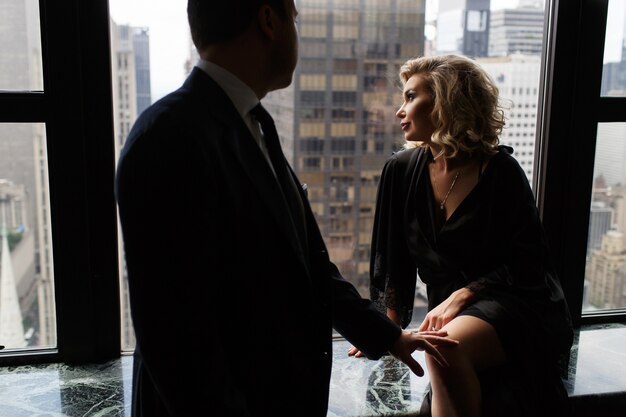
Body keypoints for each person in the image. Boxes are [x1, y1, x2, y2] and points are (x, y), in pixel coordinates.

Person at [115, 2, 459, 416]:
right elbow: (173, 334)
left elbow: (308, 266)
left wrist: (388, 336)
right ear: (267, 20)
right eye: (294, 18)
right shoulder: (168, 137)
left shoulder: (253, 122)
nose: (297, 31)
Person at [353, 55, 574, 417]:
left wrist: (464, 294)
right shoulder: (401, 170)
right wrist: (386, 328)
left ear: (444, 102)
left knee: (446, 348)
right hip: (449, 312)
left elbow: (530, 263)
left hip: (513, 301)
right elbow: (392, 259)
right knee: (446, 347)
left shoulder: (500, 171)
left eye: (411, 97)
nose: (399, 110)